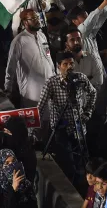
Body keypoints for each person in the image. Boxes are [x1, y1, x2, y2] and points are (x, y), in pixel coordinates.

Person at [38, 52, 97, 184]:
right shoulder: (51, 83)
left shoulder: (81, 78)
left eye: (71, 63)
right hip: (61, 126)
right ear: (59, 66)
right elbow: (40, 107)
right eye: (65, 64)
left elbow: (93, 92)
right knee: (67, 160)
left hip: (79, 125)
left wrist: (88, 112)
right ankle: (71, 183)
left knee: (82, 159)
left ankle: (84, 184)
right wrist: (33, 130)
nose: (69, 66)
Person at [5, 9, 55, 108]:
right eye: (33, 18)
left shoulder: (42, 36)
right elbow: (11, 67)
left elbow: (48, 57)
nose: (38, 20)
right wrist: (8, 89)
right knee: (33, 116)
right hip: (30, 92)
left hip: (49, 87)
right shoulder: (19, 41)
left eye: (38, 17)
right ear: (25, 22)